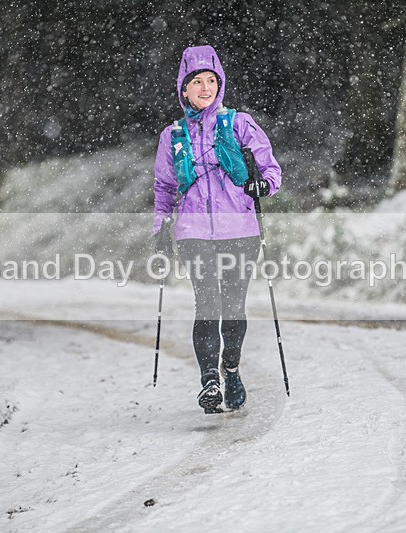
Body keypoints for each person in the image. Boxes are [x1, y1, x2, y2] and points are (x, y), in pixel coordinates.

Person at [153, 45, 282, 414]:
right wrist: (161, 227)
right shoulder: (173, 134)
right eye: (197, 81)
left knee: (233, 306)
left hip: (240, 229)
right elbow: (163, 187)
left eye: (211, 80)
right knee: (207, 304)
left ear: (219, 84)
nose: (205, 87)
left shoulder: (239, 123)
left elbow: (271, 169)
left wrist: (263, 186)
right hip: (193, 231)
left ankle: (232, 369)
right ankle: (209, 379)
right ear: (184, 89)